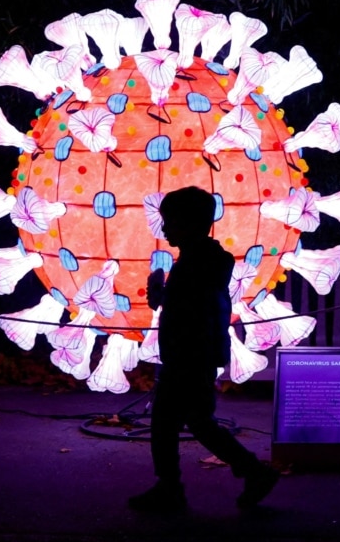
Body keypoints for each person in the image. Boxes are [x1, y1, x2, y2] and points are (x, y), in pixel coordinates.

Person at [129, 186, 278, 513]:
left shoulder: (201, 262)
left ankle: (172, 489)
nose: (164, 229)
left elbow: (191, 307)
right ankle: (252, 471)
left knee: (167, 422)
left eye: (170, 222)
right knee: (198, 421)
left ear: (192, 224)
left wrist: (162, 295)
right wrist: (162, 296)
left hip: (188, 356)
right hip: (195, 354)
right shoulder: (204, 259)